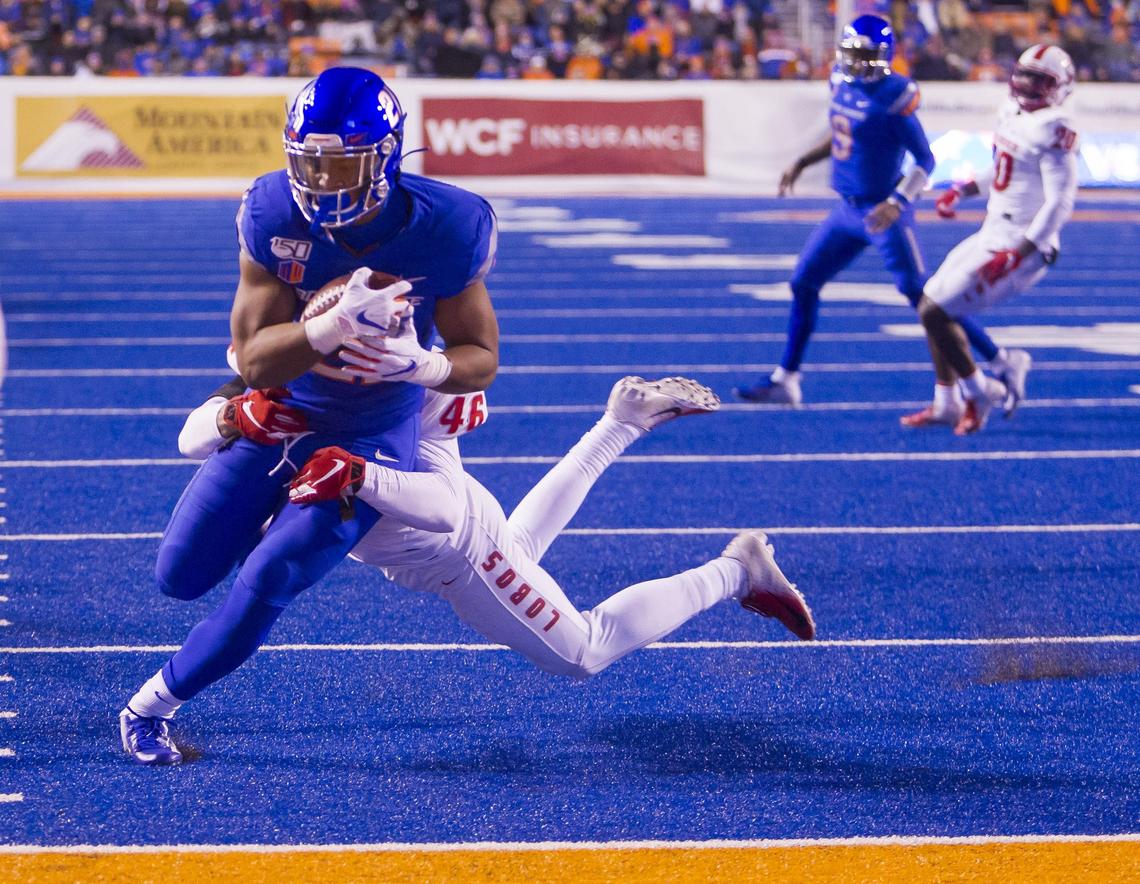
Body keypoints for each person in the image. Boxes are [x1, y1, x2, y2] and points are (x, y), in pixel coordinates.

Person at [120, 376, 815, 764]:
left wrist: (362, 475)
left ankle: (736, 570)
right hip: (456, 534)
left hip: (458, 551)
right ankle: (621, 423)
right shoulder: (313, 378)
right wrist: (232, 415)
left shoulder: (393, 398)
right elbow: (194, 433)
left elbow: (444, 507)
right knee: (520, 549)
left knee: (583, 651)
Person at [124, 67, 500, 757]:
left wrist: (423, 367)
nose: (322, 182)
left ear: (385, 157)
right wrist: (329, 328)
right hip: (284, 414)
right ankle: (264, 519)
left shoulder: (448, 226)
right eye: (310, 163)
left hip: (369, 435)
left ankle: (149, 708)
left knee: (272, 576)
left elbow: (481, 356)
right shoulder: (273, 211)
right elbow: (253, 361)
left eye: (341, 164)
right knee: (179, 576)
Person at [734, 15, 1028, 409]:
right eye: (852, 53)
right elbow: (846, 134)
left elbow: (925, 159)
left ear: (884, 55)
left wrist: (898, 202)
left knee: (927, 299)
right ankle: (786, 379)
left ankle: (1002, 360)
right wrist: (803, 161)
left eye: (864, 54)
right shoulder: (840, 81)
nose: (855, 61)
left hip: (881, 211)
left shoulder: (894, 96)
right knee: (803, 283)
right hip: (847, 210)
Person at [902, 45, 1079, 435]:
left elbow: (1060, 203)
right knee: (931, 302)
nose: (1027, 85)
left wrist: (1020, 252)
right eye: (1024, 75)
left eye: (1040, 80)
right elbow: (1003, 169)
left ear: (1061, 87)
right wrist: (962, 190)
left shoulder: (1055, 127)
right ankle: (949, 401)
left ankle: (979, 391)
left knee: (935, 312)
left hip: (1025, 243)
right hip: (995, 230)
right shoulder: (1011, 112)